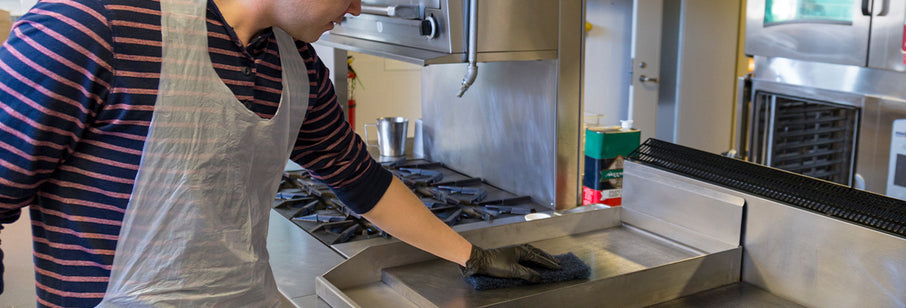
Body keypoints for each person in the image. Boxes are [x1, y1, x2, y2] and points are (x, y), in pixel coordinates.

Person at [0, 0, 560, 306]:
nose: (359, 4)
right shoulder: (89, 26)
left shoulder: (296, 66)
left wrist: (472, 256)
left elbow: (361, 181)